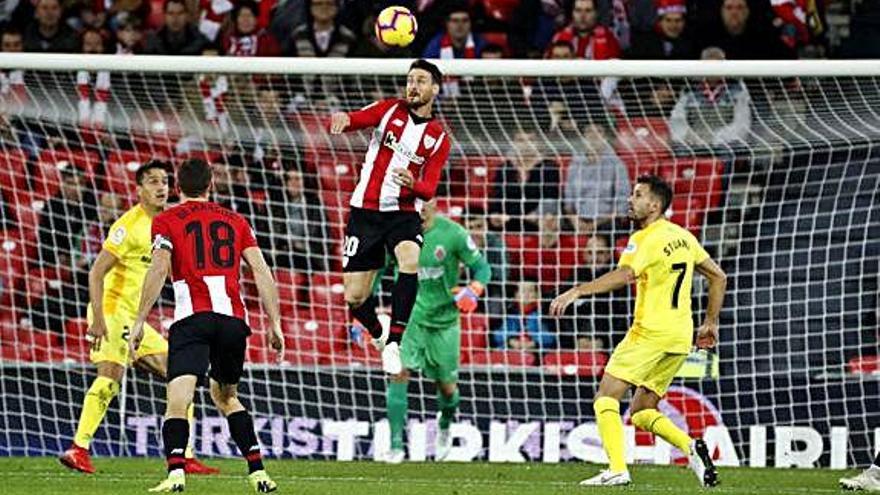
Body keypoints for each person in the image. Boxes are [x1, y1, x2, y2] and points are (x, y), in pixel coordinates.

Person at [550, 175, 727, 487]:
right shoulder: (684, 236)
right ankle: (691, 448)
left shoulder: (645, 238)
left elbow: (625, 273)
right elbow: (718, 276)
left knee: (606, 395)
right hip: (678, 336)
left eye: (638, 194)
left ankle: (617, 469)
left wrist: (577, 290)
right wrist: (710, 322)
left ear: (654, 205)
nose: (631, 200)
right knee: (643, 410)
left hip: (650, 332)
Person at [129, 159, 283, 493]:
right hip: (232, 321)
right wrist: (275, 324)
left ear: (176, 187)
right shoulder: (236, 220)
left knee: (178, 398)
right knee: (227, 397)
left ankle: (175, 475)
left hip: (192, 320)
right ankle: (258, 473)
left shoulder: (166, 220)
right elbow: (261, 271)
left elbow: (158, 269)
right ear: (211, 184)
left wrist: (140, 319)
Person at [58, 161, 217, 476]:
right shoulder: (128, 225)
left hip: (138, 319)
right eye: (153, 181)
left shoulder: (168, 223)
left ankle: (184, 455)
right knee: (110, 376)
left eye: (165, 181)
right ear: (139, 188)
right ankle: (78, 449)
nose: (161, 187)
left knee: (180, 373)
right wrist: (99, 319)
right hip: (114, 311)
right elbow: (96, 272)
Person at [329, 59, 450, 375]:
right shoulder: (388, 110)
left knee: (410, 260)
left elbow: (430, 188)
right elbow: (357, 118)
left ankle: (395, 342)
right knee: (354, 298)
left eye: (421, 80)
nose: (413, 86)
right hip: (365, 212)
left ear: (435, 88)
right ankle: (380, 332)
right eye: (410, 80)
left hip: (402, 213)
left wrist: (414, 184)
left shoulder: (438, 137)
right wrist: (344, 118)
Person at [379, 199, 491, 464]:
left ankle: (445, 426)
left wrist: (473, 289)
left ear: (434, 204)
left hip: (445, 321)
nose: (419, 208)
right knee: (398, 371)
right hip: (409, 317)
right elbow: (376, 271)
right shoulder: (397, 233)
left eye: (423, 202)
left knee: (447, 388)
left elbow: (483, 268)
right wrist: (363, 307)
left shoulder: (453, 234)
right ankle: (396, 447)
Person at [669, 46, 751, 148]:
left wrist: (717, 139)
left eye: (717, 66)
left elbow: (742, 122)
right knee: (680, 149)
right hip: (694, 141)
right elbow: (677, 118)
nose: (713, 71)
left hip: (725, 142)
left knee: (730, 150)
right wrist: (690, 136)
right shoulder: (689, 89)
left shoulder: (737, 89)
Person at [548, 0, 620, 60]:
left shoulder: (608, 38)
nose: (582, 16)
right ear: (572, 13)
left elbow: (616, 71)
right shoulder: (559, 37)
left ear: (596, 14)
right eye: (578, 10)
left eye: (588, 11)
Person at [143, 0, 209, 56]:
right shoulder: (154, 40)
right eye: (171, 13)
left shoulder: (199, 40)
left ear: (186, 15)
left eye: (180, 13)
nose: (175, 18)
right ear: (164, 15)